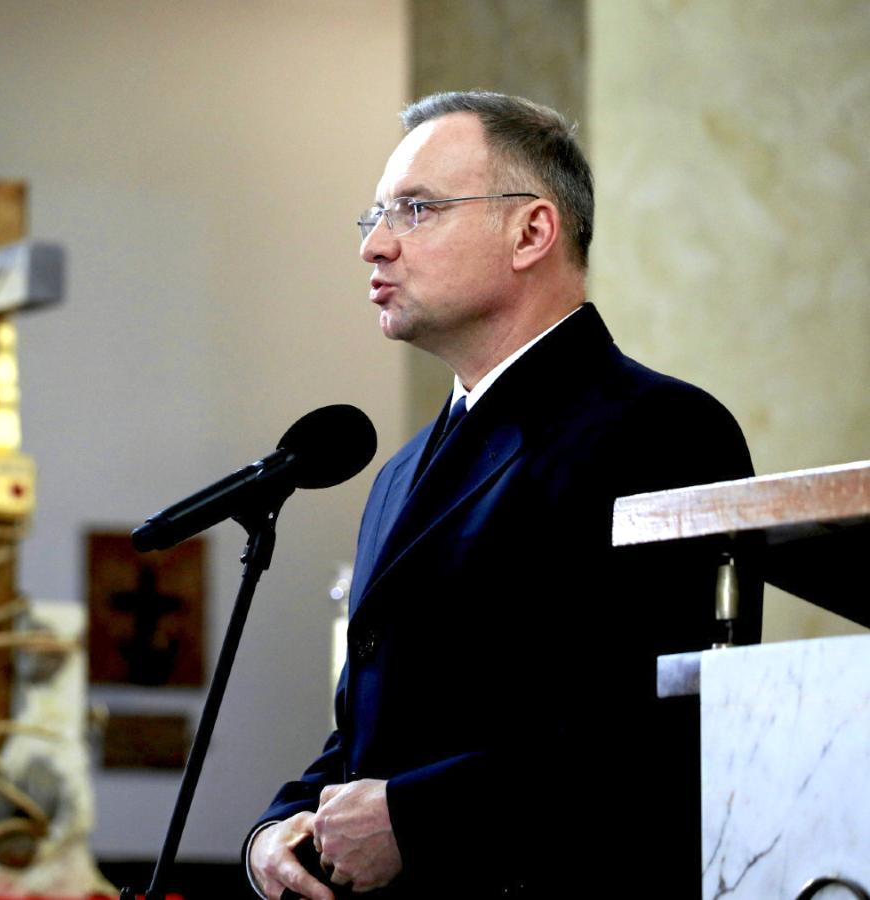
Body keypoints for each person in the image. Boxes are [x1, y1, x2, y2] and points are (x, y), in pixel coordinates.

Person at [244, 91, 759, 899]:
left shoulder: (661, 429)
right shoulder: (398, 475)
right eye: (375, 216)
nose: (375, 245)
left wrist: (417, 819)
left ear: (531, 233)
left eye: (416, 209)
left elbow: (658, 728)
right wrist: (280, 828)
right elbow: (371, 735)